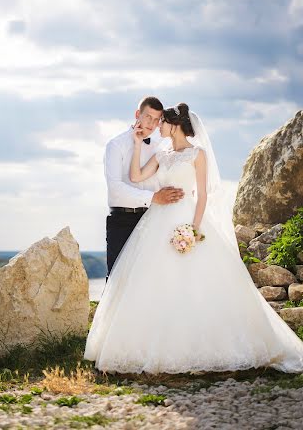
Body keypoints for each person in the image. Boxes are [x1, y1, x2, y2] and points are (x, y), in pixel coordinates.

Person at [84, 103, 303, 374]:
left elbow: (202, 195)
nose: (158, 125)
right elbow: (135, 176)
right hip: (157, 220)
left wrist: (194, 229)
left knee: (197, 281)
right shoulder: (162, 154)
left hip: (187, 220)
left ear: (174, 125)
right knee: (153, 279)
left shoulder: (197, 154)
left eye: (162, 121)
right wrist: (139, 144)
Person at [103, 96, 184, 283]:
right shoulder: (115, 145)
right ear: (137, 114)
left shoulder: (161, 147)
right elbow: (115, 188)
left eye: (157, 120)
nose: (152, 124)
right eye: (148, 117)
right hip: (122, 221)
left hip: (152, 220)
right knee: (117, 279)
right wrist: (153, 197)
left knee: (149, 280)